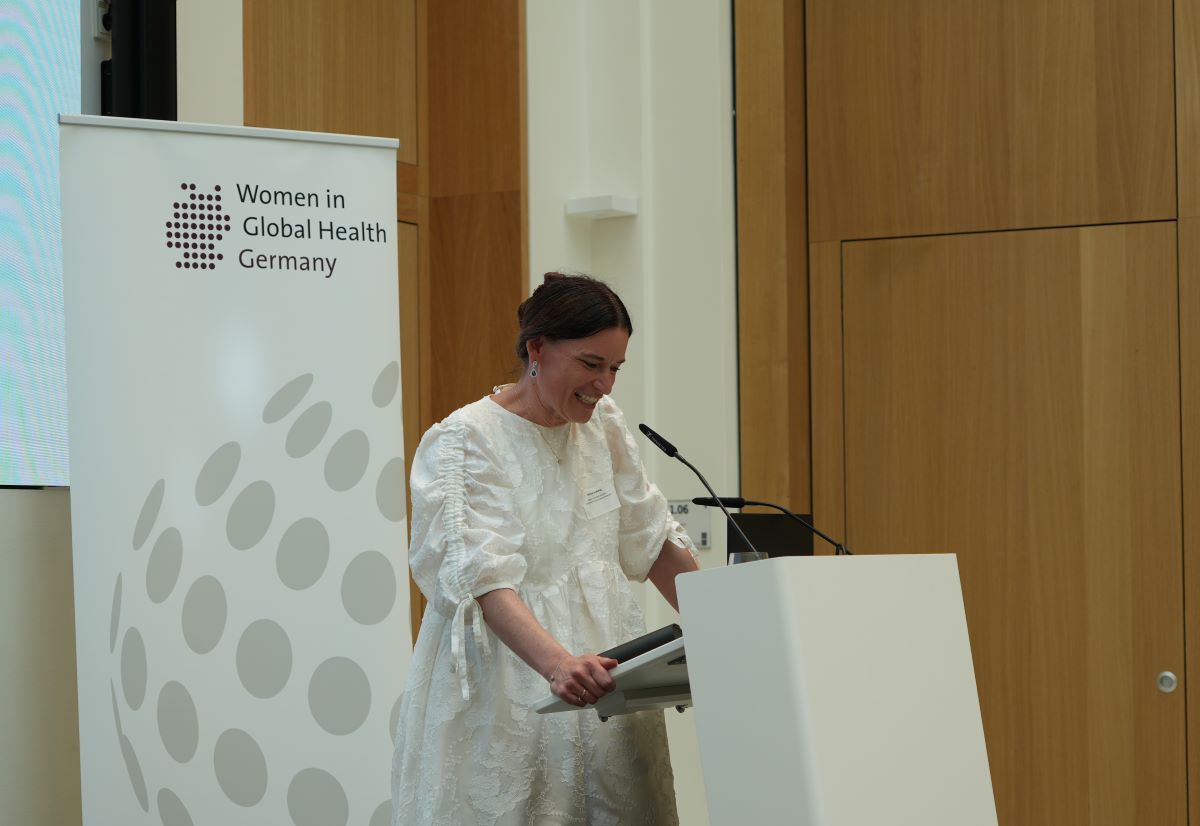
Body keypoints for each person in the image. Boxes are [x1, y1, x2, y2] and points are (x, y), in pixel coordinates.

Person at [391, 273, 700, 825]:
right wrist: (558, 666)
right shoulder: (465, 439)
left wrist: (730, 625)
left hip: (607, 684)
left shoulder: (604, 426)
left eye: (615, 368)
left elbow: (649, 538)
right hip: (513, 689)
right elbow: (484, 581)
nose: (604, 385)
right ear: (537, 348)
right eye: (591, 364)